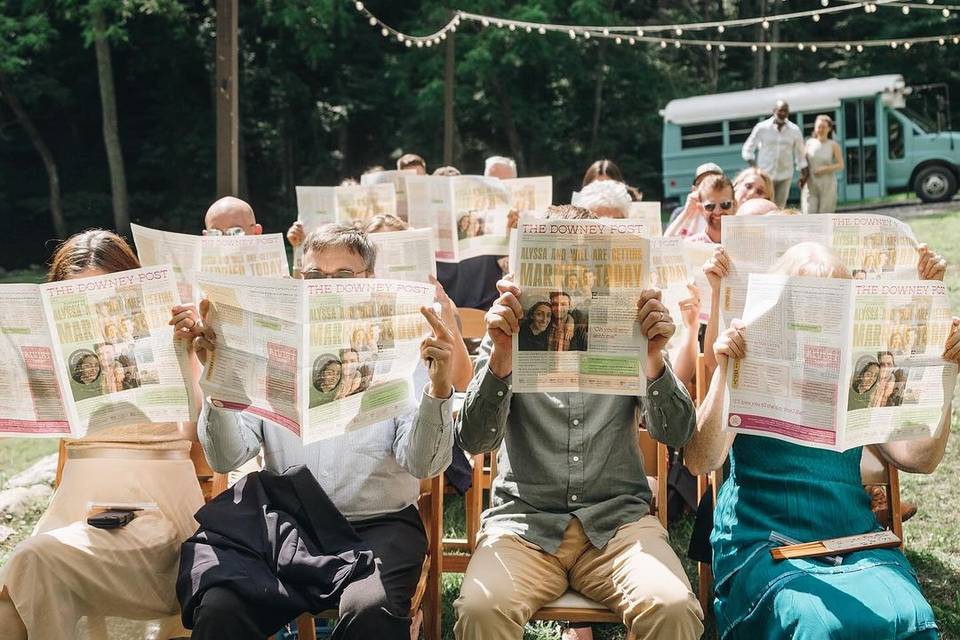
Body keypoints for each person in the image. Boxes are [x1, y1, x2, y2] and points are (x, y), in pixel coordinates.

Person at [186, 223, 455, 640]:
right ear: (299, 281)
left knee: (370, 611)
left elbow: (423, 463)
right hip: (285, 527)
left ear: (370, 281)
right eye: (314, 277)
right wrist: (217, 381)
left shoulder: (404, 347)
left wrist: (438, 392)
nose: (327, 288)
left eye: (344, 277)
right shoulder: (271, 346)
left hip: (376, 526)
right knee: (220, 607)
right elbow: (226, 458)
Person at [685, 241, 957, 640]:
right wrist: (726, 372)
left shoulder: (860, 369)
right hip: (762, 535)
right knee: (815, 622)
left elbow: (919, 459)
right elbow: (699, 461)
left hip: (849, 530)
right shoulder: (750, 355)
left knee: (910, 615)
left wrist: (948, 377)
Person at [452, 248, 704, 638]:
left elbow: (678, 435)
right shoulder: (507, 335)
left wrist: (653, 360)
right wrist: (502, 356)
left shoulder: (630, 331)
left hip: (617, 525)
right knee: (480, 609)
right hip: (524, 526)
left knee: (673, 607)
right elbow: (473, 439)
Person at [0, 230, 204, 640]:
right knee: (11, 593)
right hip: (75, 511)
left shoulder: (174, 335)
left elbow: (198, 432)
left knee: (31, 561)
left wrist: (190, 353)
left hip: (156, 517)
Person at [741, 100, 808, 208]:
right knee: (765, 205)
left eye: (785, 111)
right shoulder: (762, 128)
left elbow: (800, 153)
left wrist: (804, 173)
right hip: (766, 175)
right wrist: (756, 168)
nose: (783, 113)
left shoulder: (794, 130)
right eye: (780, 110)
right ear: (774, 111)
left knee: (780, 207)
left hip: (785, 175)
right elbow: (747, 149)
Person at [665, 162, 724, 235]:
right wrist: (686, 212)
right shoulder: (679, 212)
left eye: (714, 183)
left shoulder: (726, 212)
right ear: (694, 189)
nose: (708, 188)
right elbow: (665, 242)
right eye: (702, 183)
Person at [802, 114, 844, 214]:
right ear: (815, 128)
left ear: (829, 128)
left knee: (825, 214)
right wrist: (802, 176)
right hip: (811, 183)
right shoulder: (809, 143)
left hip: (828, 184)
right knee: (809, 212)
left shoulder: (833, 145)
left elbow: (840, 165)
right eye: (818, 127)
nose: (821, 129)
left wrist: (825, 169)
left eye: (824, 127)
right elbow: (803, 162)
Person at [685, 174, 738, 244]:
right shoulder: (690, 246)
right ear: (701, 209)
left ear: (734, 205)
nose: (718, 211)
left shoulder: (747, 244)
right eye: (710, 206)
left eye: (725, 204)